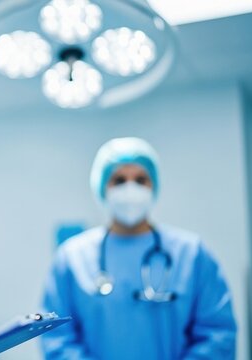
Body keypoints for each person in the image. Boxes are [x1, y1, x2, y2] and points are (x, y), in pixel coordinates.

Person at [40, 137, 237, 359]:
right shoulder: (72, 258)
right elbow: (57, 339)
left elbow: (217, 335)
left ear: (153, 185)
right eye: (119, 180)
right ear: (103, 187)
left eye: (141, 180)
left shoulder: (191, 253)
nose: (130, 188)